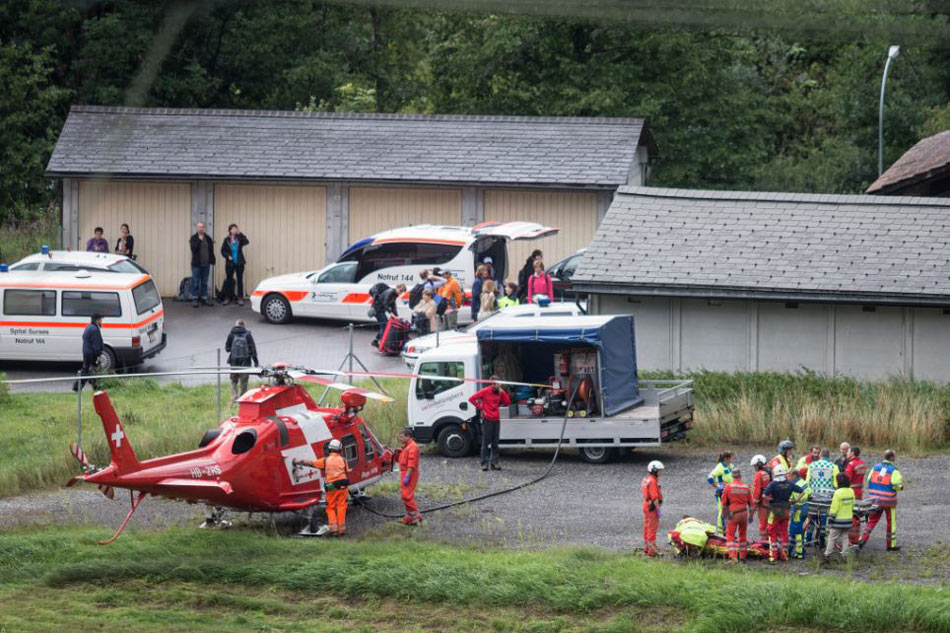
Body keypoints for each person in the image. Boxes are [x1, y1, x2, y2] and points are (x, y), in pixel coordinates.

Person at [293, 439, 349, 536]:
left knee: (331, 507)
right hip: (343, 487)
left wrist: (297, 461)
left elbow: (311, 463)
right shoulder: (343, 460)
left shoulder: (325, 461)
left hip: (331, 487)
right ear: (340, 450)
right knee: (341, 507)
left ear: (330, 449)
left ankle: (334, 530)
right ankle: (341, 529)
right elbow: (347, 471)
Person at [860, 449, 903, 552]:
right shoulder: (893, 470)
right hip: (889, 501)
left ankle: (863, 539)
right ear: (892, 458)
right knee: (890, 522)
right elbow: (896, 484)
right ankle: (890, 545)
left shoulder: (875, 468)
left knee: (872, 521)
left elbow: (868, 480)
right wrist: (901, 487)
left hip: (875, 500)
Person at [468, 376, 510, 472]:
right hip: (487, 420)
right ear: (492, 383)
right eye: (497, 383)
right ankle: (484, 464)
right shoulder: (485, 391)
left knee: (495, 443)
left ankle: (494, 463)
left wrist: (503, 392)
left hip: (496, 420)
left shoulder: (500, 392)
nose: (499, 385)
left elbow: (507, 403)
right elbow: (471, 399)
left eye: (500, 384)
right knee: (485, 443)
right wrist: (481, 408)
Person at [763, 464, 796, 563]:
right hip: (786, 510)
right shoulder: (789, 484)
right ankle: (784, 555)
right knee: (784, 532)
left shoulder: (773, 484)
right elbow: (801, 491)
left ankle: (773, 556)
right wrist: (793, 501)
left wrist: (770, 499)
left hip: (775, 511)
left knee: (771, 532)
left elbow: (764, 495)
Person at [720, 468, 753, 563]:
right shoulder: (746, 487)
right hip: (744, 513)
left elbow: (724, 504)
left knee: (730, 536)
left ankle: (733, 557)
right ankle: (742, 557)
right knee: (743, 536)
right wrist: (750, 516)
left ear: (732, 476)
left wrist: (724, 514)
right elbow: (751, 504)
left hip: (733, 514)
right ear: (740, 476)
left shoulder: (728, 487)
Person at [823, 472, 856, 563]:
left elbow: (834, 508)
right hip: (848, 520)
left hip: (838, 521)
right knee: (845, 537)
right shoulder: (851, 491)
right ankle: (844, 555)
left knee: (832, 537)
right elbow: (853, 504)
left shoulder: (837, 493)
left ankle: (827, 554)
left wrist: (831, 519)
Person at [225, 319, 258, 401]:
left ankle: (235, 396)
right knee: (244, 381)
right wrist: (256, 362)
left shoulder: (231, 334)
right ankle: (243, 398)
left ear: (236, 325)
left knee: (234, 380)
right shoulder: (248, 335)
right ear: (244, 326)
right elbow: (253, 349)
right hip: (245, 362)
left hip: (233, 361)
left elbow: (227, 349)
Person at [72, 313, 103, 391]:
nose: (101, 321)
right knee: (89, 371)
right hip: (91, 354)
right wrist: (98, 355)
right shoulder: (95, 329)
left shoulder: (88, 327)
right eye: (100, 320)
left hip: (87, 353)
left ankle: (95, 387)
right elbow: (96, 345)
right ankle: (77, 387)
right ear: (97, 320)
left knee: (90, 370)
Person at [220, 224, 249, 306]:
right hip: (230, 264)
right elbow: (222, 251)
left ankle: (240, 298)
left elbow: (247, 242)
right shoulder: (226, 240)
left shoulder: (239, 238)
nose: (235, 230)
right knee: (229, 280)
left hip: (239, 263)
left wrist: (240, 233)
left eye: (236, 228)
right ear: (230, 230)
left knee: (240, 280)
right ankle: (227, 298)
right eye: (233, 229)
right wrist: (227, 256)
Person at [397, 428, 421, 525]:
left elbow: (412, 463)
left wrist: (407, 475)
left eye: (401, 436)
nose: (399, 438)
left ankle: (414, 518)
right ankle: (411, 516)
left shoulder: (413, 447)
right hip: (405, 472)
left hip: (409, 473)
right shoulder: (407, 446)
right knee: (406, 495)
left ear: (408, 436)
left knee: (406, 496)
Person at [189, 222, 215, 307]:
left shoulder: (208, 238)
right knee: (196, 281)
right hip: (196, 264)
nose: (201, 228)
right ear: (197, 228)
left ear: (204, 228)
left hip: (206, 264)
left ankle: (204, 297)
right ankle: (195, 298)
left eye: (202, 227)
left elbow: (211, 251)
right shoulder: (193, 238)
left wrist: (212, 260)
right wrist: (199, 241)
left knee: (204, 281)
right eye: (199, 227)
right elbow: (194, 249)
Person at [706, 451, 734, 532]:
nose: (732, 459)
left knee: (730, 510)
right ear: (726, 458)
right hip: (722, 493)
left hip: (730, 491)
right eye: (731, 457)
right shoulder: (720, 467)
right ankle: (721, 531)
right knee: (722, 510)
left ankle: (728, 530)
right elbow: (710, 478)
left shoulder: (730, 466)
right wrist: (718, 487)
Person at [641, 460, 664, 557]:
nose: (661, 472)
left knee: (647, 526)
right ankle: (652, 550)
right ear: (654, 470)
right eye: (659, 470)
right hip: (652, 507)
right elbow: (654, 498)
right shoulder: (653, 481)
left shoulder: (646, 479)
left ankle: (647, 547)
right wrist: (658, 510)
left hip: (646, 505)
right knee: (652, 528)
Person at [844, 445, 867, 544]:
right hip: (859, 492)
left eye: (848, 451)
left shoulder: (851, 464)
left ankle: (850, 539)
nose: (847, 453)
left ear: (852, 453)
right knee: (857, 515)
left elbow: (847, 479)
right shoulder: (862, 463)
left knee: (850, 515)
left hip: (852, 491)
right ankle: (856, 537)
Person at [787, 469, 812, 559]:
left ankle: (799, 553)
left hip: (798, 510)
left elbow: (791, 499)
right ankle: (790, 550)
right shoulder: (803, 482)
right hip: (805, 508)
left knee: (796, 531)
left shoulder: (794, 485)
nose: (788, 478)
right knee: (796, 529)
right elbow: (809, 493)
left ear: (794, 476)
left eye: (789, 476)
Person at [750, 454, 771, 541]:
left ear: (758, 465)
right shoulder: (769, 472)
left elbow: (757, 493)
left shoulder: (759, 475)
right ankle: (772, 541)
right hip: (771, 503)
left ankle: (764, 543)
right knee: (771, 523)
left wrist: (753, 509)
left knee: (763, 525)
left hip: (763, 504)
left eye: (755, 466)